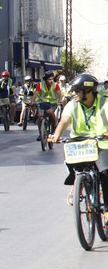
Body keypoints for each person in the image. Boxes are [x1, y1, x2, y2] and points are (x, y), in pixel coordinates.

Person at [49, 74, 108, 207]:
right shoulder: (72, 105)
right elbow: (64, 120)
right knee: (70, 158)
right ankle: (78, 182)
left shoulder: (105, 103)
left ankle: (107, 211)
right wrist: (56, 134)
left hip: (102, 144)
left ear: (88, 91)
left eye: (77, 91)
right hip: (79, 143)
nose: (73, 94)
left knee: (105, 173)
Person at [32, 70, 62, 142]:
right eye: (49, 79)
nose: (51, 81)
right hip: (42, 103)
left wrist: (59, 101)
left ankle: (54, 126)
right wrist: (32, 101)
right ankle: (41, 133)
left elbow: (59, 95)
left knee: (50, 112)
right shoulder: (40, 85)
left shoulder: (56, 85)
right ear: (45, 80)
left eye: (52, 79)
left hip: (52, 103)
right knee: (40, 116)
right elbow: (35, 94)